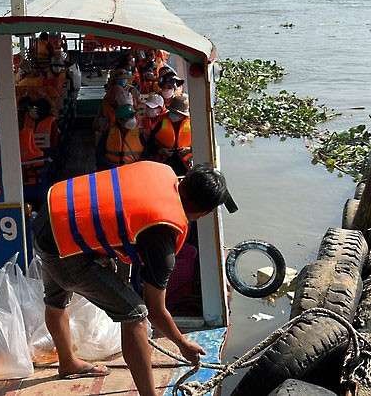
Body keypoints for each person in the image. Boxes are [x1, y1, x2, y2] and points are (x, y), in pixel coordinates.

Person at [32, 161, 236, 396]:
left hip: (50, 213)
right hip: (62, 250)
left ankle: (67, 362)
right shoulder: (163, 236)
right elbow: (156, 309)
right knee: (136, 314)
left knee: (56, 301)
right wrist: (183, 344)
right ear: (204, 212)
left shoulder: (161, 170)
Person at [149, 94, 193, 175]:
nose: (173, 114)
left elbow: (201, 145)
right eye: (172, 111)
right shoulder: (161, 121)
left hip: (185, 166)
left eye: (177, 113)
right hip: (164, 164)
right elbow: (149, 144)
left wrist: (189, 149)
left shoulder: (192, 124)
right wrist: (160, 150)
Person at [96, 104, 146, 170]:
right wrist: (107, 165)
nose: (131, 120)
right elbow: (99, 153)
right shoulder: (109, 132)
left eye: (132, 116)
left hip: (133, 169)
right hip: (112, 168)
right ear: (119, 120)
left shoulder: (141, 133)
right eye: (127, 118)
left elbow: (147, 153)